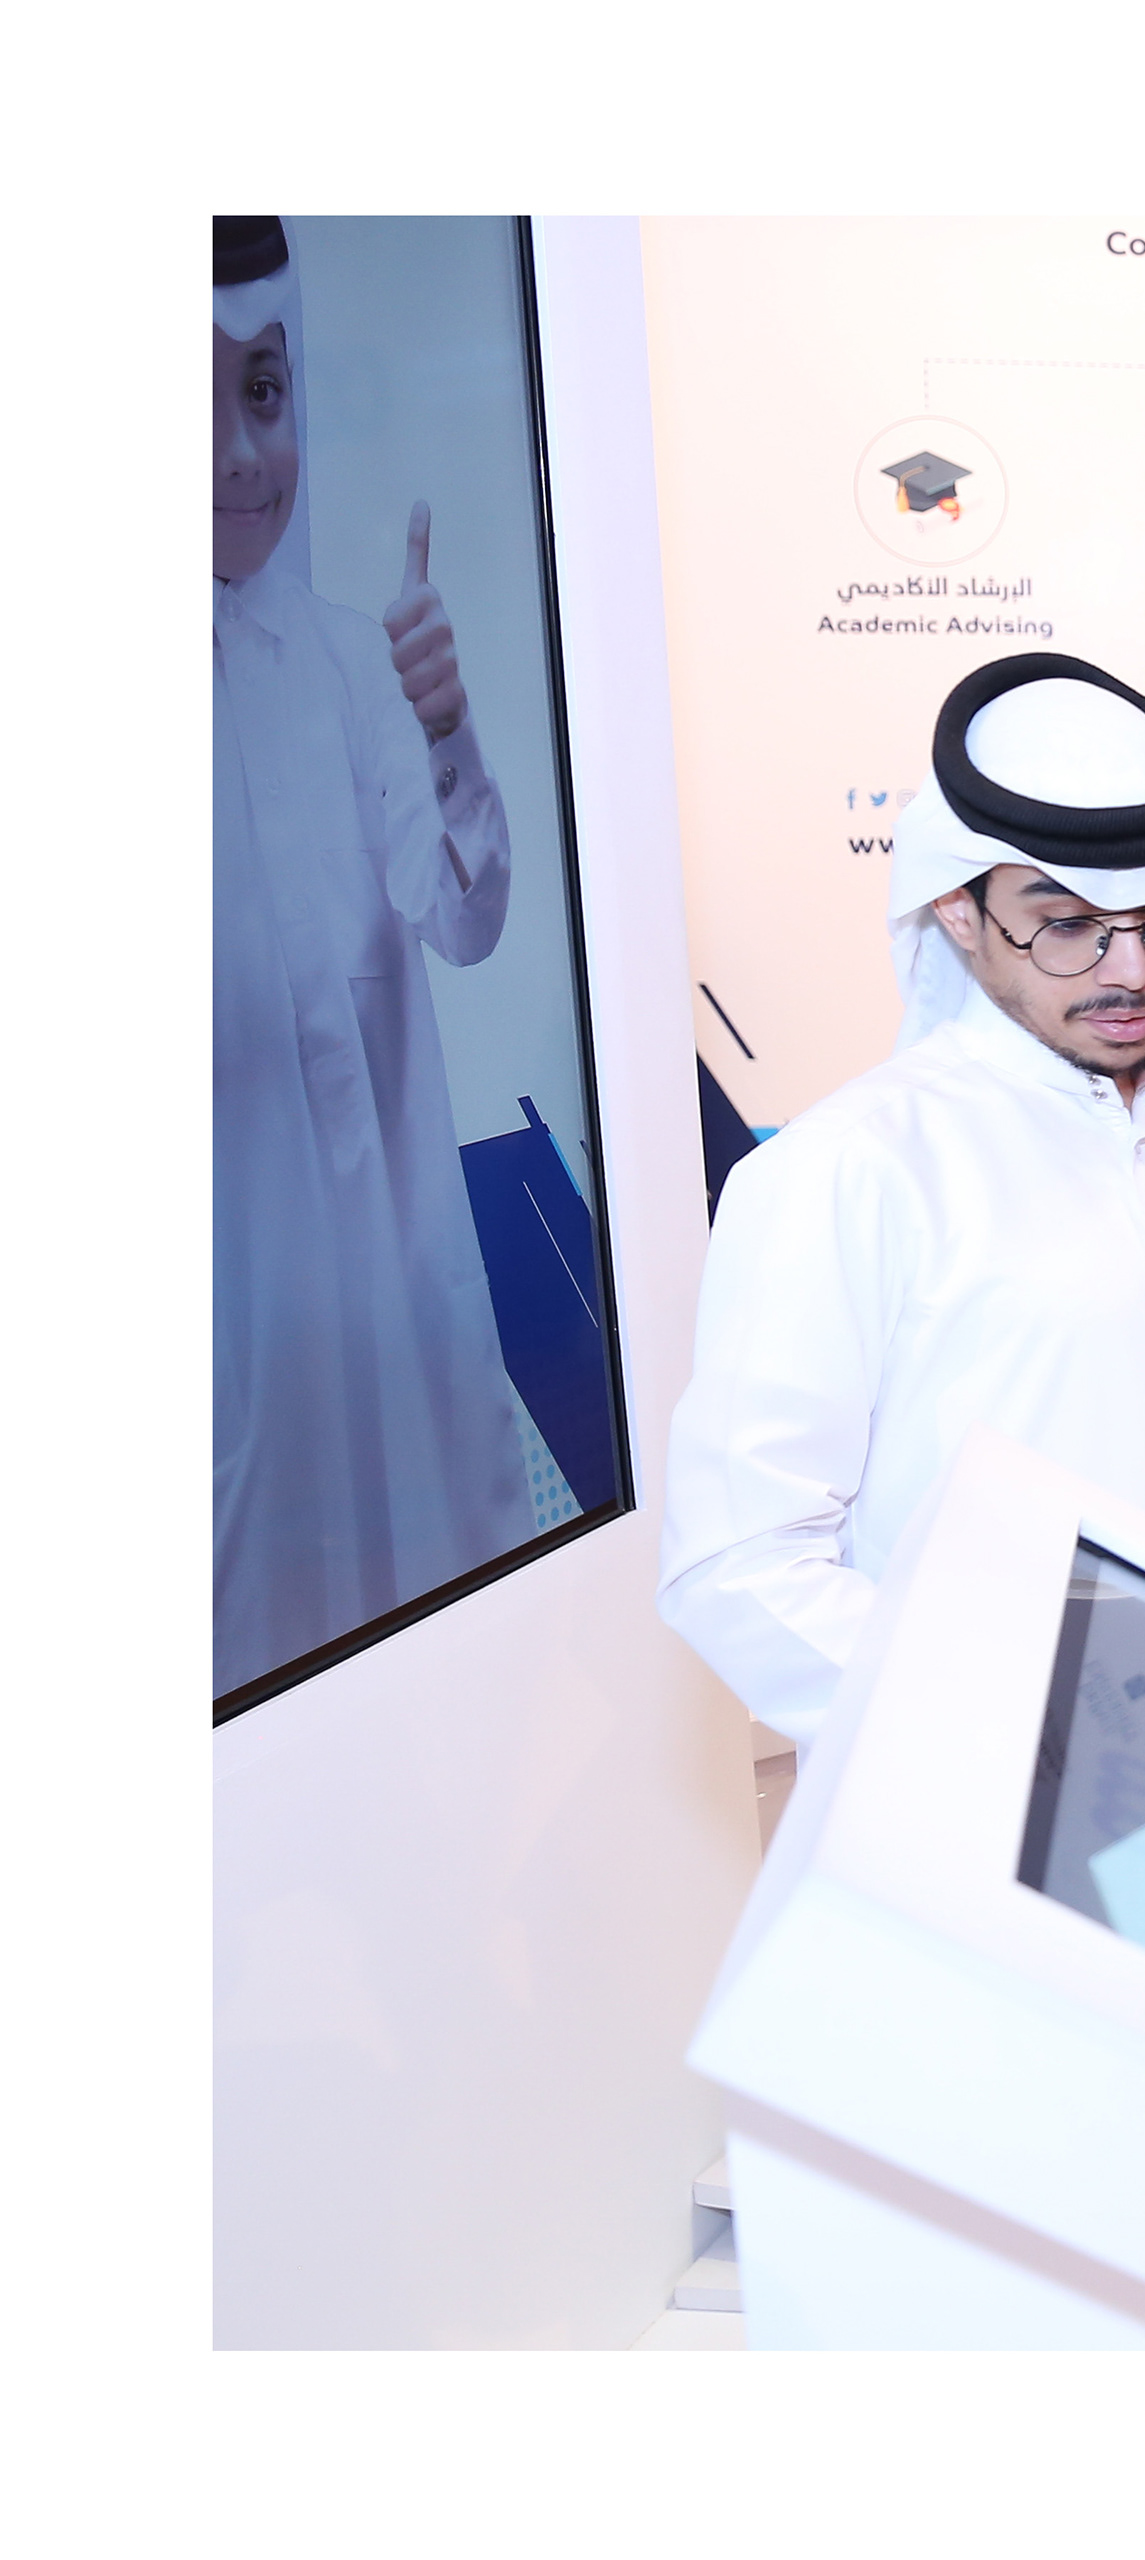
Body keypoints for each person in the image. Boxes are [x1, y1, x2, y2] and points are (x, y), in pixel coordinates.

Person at [659, 653, 1145, 1749]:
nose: (1132, 969)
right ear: (958, 910)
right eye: (1066, 923)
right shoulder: (847, 1171)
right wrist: (1032, 1738)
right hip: (993, 1794)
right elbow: (736, 1565)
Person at [214, 214, 538, 1695]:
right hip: (229, 1313)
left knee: (437, 1651)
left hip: (387, 1300)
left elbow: (463, 919)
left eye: (263, 392)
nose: (238, 456)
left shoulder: (354, 666)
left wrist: (448, 727)